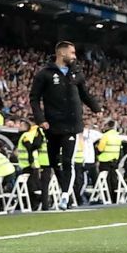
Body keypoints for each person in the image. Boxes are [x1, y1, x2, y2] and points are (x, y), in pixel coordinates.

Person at [29, 41, 102, 210]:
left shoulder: (76, 72)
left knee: (68, 160)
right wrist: (40, 119)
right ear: (61, 54)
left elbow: (84, 93)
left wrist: (96, 107)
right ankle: (65, 190)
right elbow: (34, 98)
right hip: (52, 124)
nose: (75, 56)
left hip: (72, 124)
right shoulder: (45, 74)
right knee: (54, 161)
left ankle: (64, 196)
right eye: (72, 53)